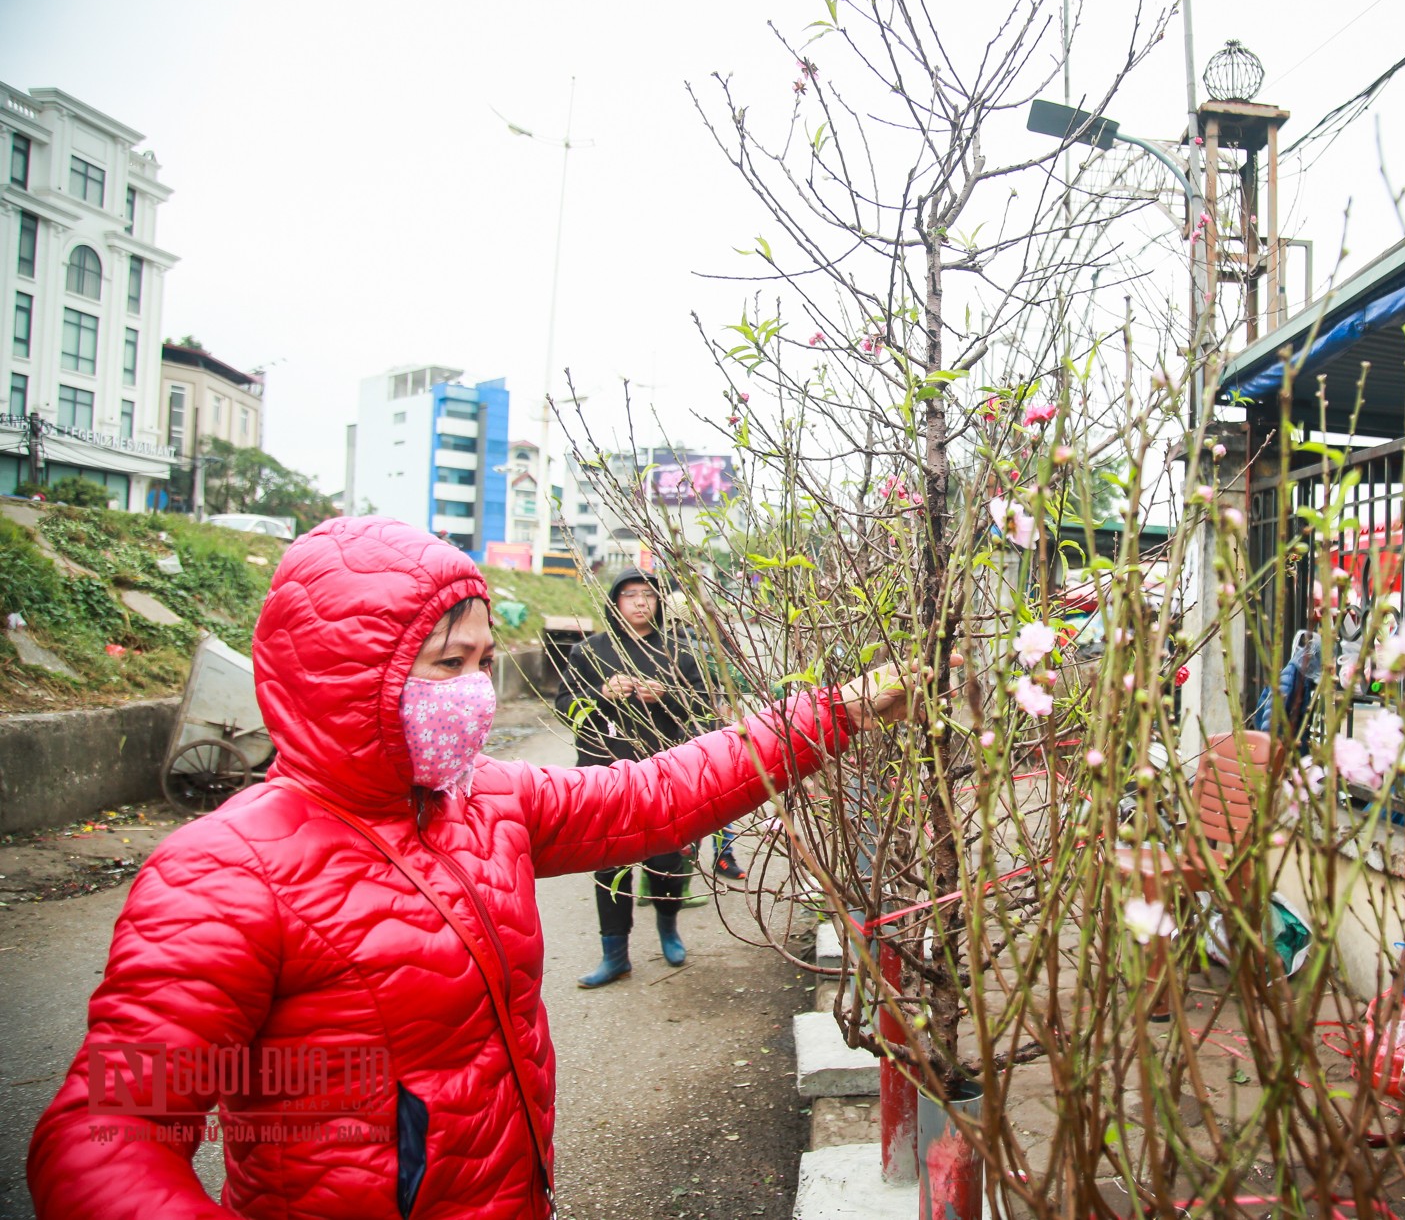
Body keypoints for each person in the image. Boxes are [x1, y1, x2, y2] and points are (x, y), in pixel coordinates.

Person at [26, 517, 935, 1220]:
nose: (475, 689)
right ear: (347, 676)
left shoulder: (484, 800)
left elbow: (658, 793)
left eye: (486, 662)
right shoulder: (223, 873)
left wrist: (837, 710)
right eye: (445, 663)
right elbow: (107, 1138)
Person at [560, 567, 711, 978]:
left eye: (648, 594)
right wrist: (601, 694)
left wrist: (667, 696)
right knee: (609, 864)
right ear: (615, 602)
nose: (640, 601)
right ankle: (615, 953)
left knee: (667, 859)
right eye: (630, 594)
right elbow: (563, 705)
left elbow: (705, 711)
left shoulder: (680, 653)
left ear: (659, 602)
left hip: (664, 773)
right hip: (604, 773)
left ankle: (669, 929)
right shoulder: (588, 652)